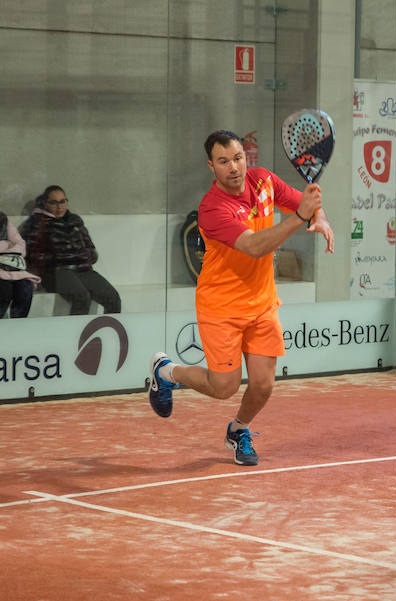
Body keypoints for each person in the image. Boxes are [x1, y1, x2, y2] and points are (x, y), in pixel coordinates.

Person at [148, 130, 335, 466]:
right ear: (211, 166)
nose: (233, 167)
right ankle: (166, 371)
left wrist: (319, 218)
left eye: (237, 158)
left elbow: (303, 204)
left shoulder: (263, 181)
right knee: (224, 387)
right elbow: (254, 246)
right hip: (221, 307)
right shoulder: (211, 209)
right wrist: (302, 217)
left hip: (262, 303)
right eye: (223, 161)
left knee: (262, 386)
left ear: (246, 157)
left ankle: (238, 430)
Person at [18, 186, 121, 315]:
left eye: (63, 201)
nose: (59, 206)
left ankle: (109, 332)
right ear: (45, 203)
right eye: (54, 202)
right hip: (56, 272)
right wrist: (59, 258)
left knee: (113, 298)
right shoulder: (36, 223)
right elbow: (32, 255)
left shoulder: (75, 220)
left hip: (83, 270)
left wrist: (85, 256)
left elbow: (90, 247)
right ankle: (75, 334)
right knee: (81, 297)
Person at [0, 211, 40, 318]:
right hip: (3, 272)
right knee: (5, 290)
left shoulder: (3, 219)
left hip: (10, 268)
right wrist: (7, 244)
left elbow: (21, 246)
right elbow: (14, 244)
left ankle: (18, 325)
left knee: (26, 288)